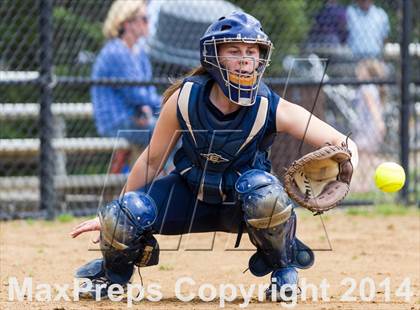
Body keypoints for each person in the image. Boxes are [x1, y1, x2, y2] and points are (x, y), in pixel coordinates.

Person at [71, 12, 359, 301]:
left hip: (242, 205)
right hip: (188, 196)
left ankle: (283, 273)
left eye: (251, 51)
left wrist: (348, 170)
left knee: (266, 193)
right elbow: (151, 160)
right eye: (234, 51)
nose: (245, 59)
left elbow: (344, 144)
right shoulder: (184, 100)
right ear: (213, 57)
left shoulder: (269, 106)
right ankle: (113, 278)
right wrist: (116, 217)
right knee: (124, 212)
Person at [91, 0, 161, 172]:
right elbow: (135, 94)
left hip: (137, 119)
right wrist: (167, 104)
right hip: (117, 122)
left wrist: (154, 108)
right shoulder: (116, 51)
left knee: (172, 130)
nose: (148, 23)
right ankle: (165, 185)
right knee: (168, 133)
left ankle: (160, 184)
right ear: (127, 23)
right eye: (144, 19)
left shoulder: (140, 53)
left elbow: (148, 89)